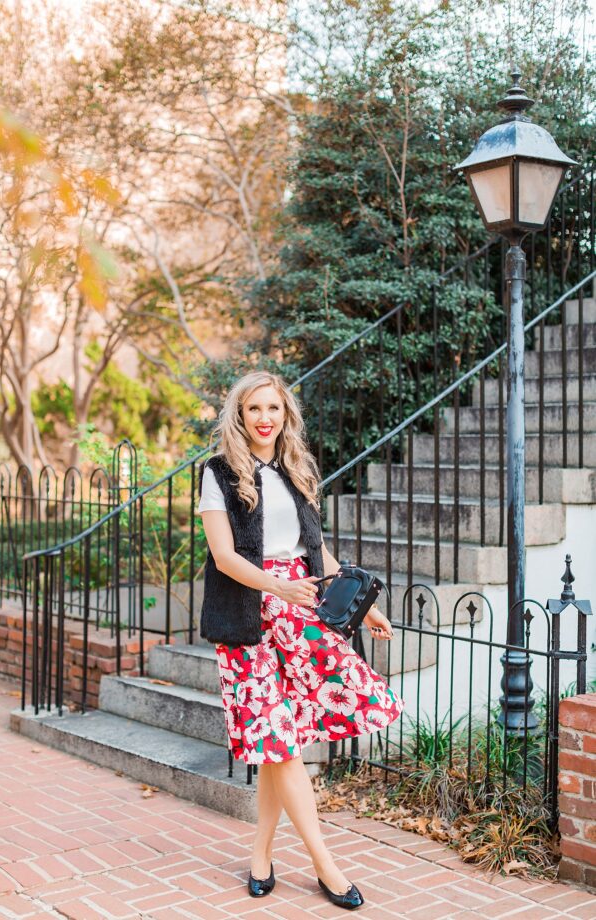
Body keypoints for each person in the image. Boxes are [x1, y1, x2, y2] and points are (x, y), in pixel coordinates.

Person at [197, 370, 403, 910]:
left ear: (285, 415)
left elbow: (318, 552)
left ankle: (261, 854)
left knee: (277, 743)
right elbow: (224, 557)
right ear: (238, 417)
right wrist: (278, 587)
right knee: (278, 740)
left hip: (300, 611)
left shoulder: (296, 469)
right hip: (248, 614)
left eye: (274, 409)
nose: (265, 418)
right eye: (254, 409)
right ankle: (324, 865)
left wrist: (367, 606)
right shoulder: (217, 473)